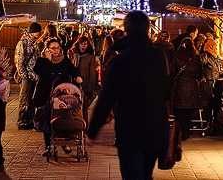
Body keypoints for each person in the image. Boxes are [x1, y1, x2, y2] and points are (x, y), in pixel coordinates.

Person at [87, 11, 170, 180]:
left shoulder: (121, 60)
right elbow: (166, 90)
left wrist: (93, 129)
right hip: (155, 126)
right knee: (146, 174)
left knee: (132, 174)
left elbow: (107, 96)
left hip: (130, 128)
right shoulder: (159, 57)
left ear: (127, 29)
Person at [32, 37, 81, 156]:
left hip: (61, 95)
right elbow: (37, 71)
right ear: (47, 49)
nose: (56, 50)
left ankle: (63, 142)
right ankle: (48, 146)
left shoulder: (64, 60)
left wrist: (77, 77)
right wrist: (47, 61)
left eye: (58, 48)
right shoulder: (42, 60)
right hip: (46, 94)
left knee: (62, 118)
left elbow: (73, 70)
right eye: (53, 48)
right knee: (48, 120)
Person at [171, 37, 204, 141]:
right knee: (189, 112)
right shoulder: (196, 58)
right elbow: (200, 73)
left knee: (180, 112)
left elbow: (172, 71)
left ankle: (181, 132)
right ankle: (187, 132)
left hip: (180, 86)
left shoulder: (176, 56)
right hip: (192, 86)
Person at [14, 22, 42, 129]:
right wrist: (23, 75)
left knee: (32, 99)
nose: (39, 34)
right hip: (27, 75)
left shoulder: (38, 43)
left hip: (36, 75)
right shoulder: (23, 43)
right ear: (32, 33)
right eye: (37, 33)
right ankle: (22, 121)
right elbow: (19, 60)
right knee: (25, 98)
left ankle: (30, 119)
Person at [67, 34, 99, 117]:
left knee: (84, 108)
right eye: (81, 43)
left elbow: (92, 72)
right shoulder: (74, 54)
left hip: (84, 84)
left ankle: (84, 126)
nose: (83, 46)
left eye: (85, 44)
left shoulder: (91, 57)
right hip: (73, 84)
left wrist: (90, 87)